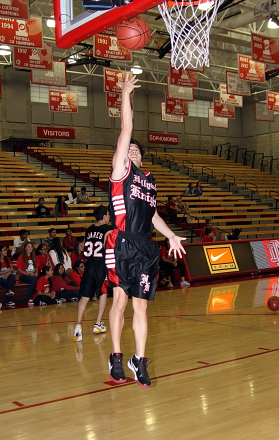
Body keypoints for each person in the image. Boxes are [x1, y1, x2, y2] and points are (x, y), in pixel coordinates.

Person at [105, 73, 186, 387]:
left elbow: (152, 215)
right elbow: (127, 129)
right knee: (121, 301)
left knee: (141, 305)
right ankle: (115, 355)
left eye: (138, 150)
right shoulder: (119, 172)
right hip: (121, 242)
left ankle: (138, 360)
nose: (134, 151)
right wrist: (125, 94)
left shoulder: (148, 181)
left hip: (145, 246)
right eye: (130, 150)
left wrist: (170, 235)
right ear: (123, 155)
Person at [73, 205, 112, 342]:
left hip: (89, 264)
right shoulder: (107, 229)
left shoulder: (89, 229)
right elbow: (107, 243)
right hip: (101, 264)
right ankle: (98, 323)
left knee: (84, 295)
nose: (109, 216)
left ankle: (78, 324)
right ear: (104, 216)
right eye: (107, 214)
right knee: (103, 292)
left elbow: (84, 245)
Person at [17, 242, 38, 306]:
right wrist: (29, 274)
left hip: (33, 275)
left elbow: (36, 267)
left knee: (41, 278)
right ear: (25, 248)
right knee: (33, 279)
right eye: (28, 246)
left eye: (31, 247)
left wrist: (36, 272)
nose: (30, 248)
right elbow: (19, 270)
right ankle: (30, 298)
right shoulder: (21, 257)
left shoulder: (34, 256)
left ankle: (39, 296)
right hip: (23, 275)